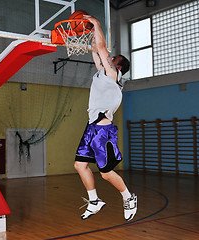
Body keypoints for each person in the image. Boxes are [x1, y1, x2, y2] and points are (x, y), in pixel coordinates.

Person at [73, 14, 137, 221]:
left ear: (118, 66)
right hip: (91, 126)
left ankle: (129, 197)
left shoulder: (113, 75)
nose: (109, 57)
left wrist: (97, 24)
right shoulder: (102, 72)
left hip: (102, 130)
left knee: (106, 173)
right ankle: (94, 201)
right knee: (79, 165)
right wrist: (90, 32)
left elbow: (101, 48)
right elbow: (96, 49)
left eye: (113, 58)